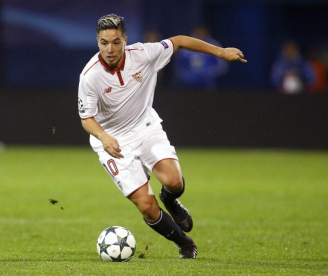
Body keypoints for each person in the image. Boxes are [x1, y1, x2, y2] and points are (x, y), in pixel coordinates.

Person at [78, 14, 246, 259]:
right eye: (104, 43)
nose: (110, 49)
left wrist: (220, 52)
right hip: (112, 141)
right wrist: (104, 137)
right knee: (146, 207)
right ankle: (185, 244)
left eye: (116, 42)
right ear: (97, 42)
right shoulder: (90, 76)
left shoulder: (144, 53)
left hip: (145, 127)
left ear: (125, 40)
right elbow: (87, 119)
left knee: (174, 181)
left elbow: (179, 41)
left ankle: (170, 199)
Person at [173, 25, 229, 89]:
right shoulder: (185, 46)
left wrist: (209, 73)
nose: (201, 34)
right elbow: (178, 66)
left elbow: (222, 65)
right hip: (188, 84)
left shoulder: (214, 45)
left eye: (203, 32)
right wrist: (186, 76)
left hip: (207, 83)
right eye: (199, 32)